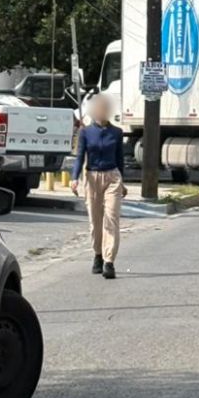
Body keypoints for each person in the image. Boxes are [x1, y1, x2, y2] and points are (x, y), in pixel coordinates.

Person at [71, 95, 127, 279]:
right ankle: (98, 254)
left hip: (112, 176)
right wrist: (74, 178)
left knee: (111, 219)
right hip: (92, 177)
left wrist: (123, 182)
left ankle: (109, 262)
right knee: (95, 222)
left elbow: (120, 160)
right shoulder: (86, 132)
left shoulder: (117, 133)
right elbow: (80, 156)